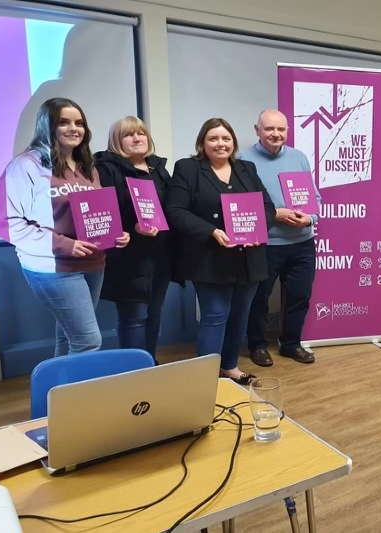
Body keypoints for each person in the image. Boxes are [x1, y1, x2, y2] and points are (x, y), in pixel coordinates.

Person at [0, 97, 129, 356]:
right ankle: (80, 386)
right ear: (48, 125)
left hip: (93, 262)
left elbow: (94, 212)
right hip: (53, 266)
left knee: (69, 336)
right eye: (63, 122)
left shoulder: (87, 166)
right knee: (87, 341)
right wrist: (64, 244)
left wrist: (114, 233)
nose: (73, 128)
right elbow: (6, 222)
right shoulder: (26, 165)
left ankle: (59, 383)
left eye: (79, 123)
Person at [165, 118, 276, 383]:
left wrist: (257, 231)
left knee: (240, 315)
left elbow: (267, 208)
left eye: (226, 138)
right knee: (215, 316)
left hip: (248, 258)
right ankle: (206, 376)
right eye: (213, 138)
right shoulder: (188, 168)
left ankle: (230, 366)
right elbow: (175, 210)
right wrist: (212, 231)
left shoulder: (246, 169)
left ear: (233, 142)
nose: (220, 144)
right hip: (209, 257)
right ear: (202, 143)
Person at [242, 109, 320, 367]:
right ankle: (257, 345)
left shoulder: (299, 157)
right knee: (258, 300)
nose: (275, 134)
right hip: (265, 244)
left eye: (281, 129)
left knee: (300, 296)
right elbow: (239, 206)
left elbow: (315, 198)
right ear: (257, 130)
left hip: (302, 244)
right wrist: (273, 214)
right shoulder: (243, 160)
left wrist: (310, 218)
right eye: (269, 129)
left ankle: (291, 344)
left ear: (287, 130)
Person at [95, 116, 172, 361]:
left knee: (154, 313)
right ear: (116, 141)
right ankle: (134, 370)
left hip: (160, 255)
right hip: (128, 258)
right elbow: (103, 212)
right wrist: (131, 227)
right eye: (129, 134)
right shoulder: (105, 169)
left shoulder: (158, 169)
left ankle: (149, 363)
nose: (137, 138)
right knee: (134, 317)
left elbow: (171, 208)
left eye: (141, 133)